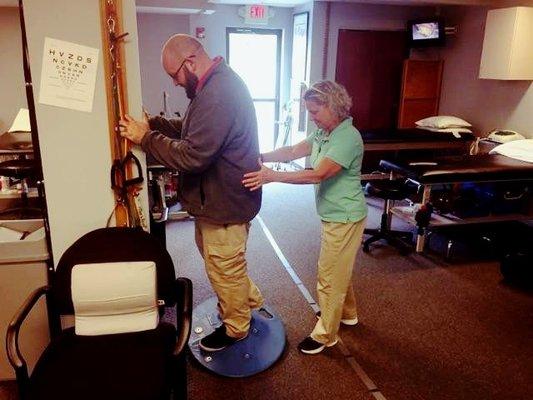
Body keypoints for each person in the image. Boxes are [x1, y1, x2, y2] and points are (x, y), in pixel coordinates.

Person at [119, 34, 264, 352]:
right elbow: (193, 129)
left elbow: (192, 155)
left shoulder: (218, 94)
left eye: (175, 75)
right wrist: (155, 124)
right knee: (223, 262)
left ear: (190, 61)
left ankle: (237, 326)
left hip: (225, 203)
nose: (174, 83)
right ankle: (248, 299)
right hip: (218, 201)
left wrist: (147, 139)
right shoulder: (212, 86)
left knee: (224, 266)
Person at [242, 81, 367, 355]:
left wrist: (272, 176)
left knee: (329, 275)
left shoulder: (347, 137)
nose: (312, 118)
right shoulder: (324, 133)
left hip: (345, 217)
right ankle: (348, 314)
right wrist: (259, 155)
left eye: (315, 111)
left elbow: (317, 174)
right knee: (338, 268)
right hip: (334, 215)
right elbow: (292, 152)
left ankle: (326, 335)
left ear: (333, 107)